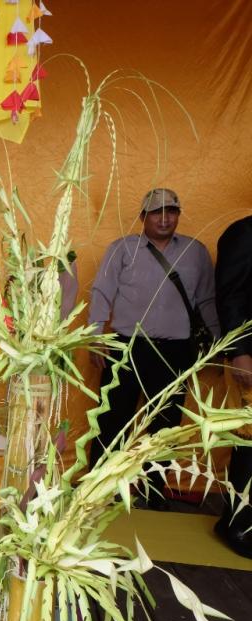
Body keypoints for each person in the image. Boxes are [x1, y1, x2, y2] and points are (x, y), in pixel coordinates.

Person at [88, 188, 220, 510]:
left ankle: (154, 493)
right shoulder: (122, 249)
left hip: (176, 352)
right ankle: (99, 491)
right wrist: (94, 336)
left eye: (172, 211)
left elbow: (206, 300)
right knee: (112, 420)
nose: (165, 217)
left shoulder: (195, 251)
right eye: (157, 211)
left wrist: (218, 343)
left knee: (165, 426)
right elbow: (102, 292)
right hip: (126, 348)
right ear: (142, 217)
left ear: (178, 214)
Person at [214, 214, 252, 557]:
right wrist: (239, 353)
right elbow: (230, 296)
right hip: (251, 358)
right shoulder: (244, 232)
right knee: (249, 441)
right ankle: (236, 523)